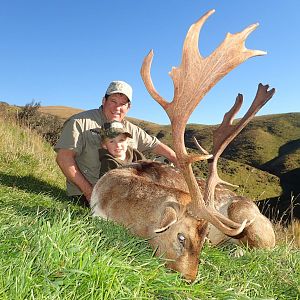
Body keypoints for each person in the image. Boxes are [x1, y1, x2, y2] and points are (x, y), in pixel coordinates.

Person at [55, 80, 177, 206]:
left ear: (128, 107)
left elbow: (159, 147)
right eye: (113, 101)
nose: (117, 108)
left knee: (163, 162)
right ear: (104, 101)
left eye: (122, 104)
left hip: (126, 194)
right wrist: (90, 193)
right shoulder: (79, 122)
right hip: (88, 193)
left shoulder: (132, 130)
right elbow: (64, 158)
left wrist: (180, 162)